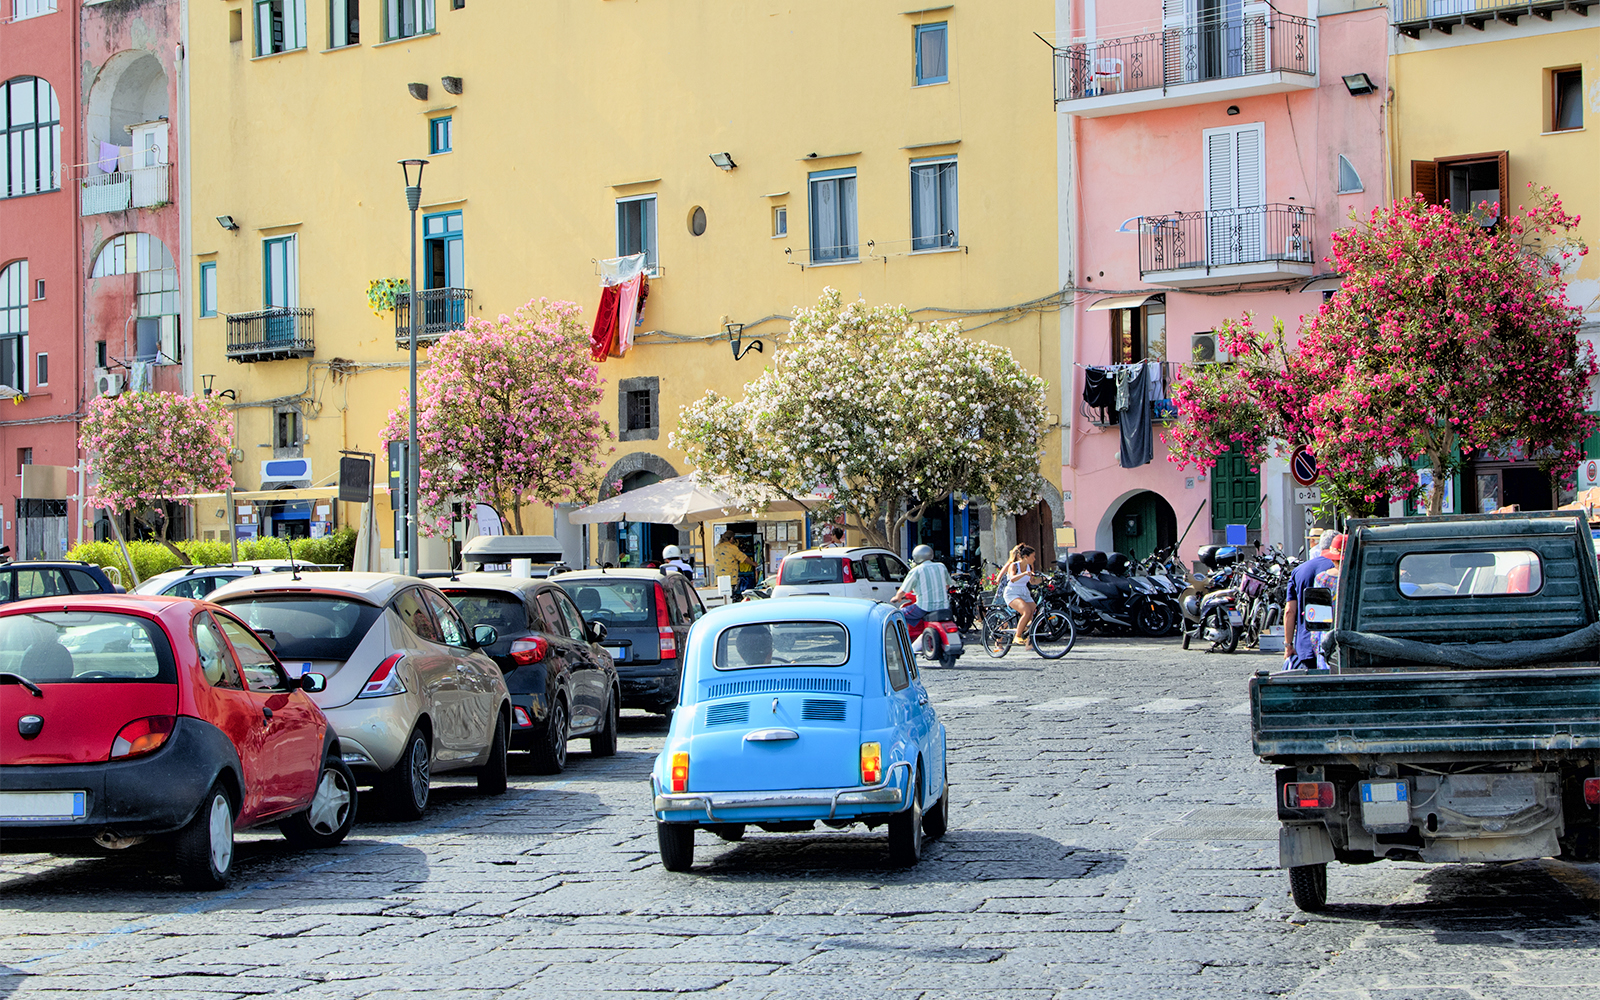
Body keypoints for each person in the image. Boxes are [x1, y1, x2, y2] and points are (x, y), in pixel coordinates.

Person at [1284, 534, 1336, 671]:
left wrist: (1288, 644)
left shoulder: (1298, 571)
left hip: (1306, 642)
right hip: (1333, 643)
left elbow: (1290, 610)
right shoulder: (1338, 569)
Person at [1311, 534, 1345, 670]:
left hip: (1328, 640)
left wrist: (1316, 645)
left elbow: (1316, 620)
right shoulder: (1363, 578)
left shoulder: (1322, 579)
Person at [894, 544, 953, 622]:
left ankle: (907, 634)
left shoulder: (916, 570)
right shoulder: (941, 566)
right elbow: (947, 585)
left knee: (897, 615)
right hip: (944, 607)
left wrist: (897, 597)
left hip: (924, 608)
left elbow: (903, 590)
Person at [998, 543, 1038, 645]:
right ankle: (1018, 636)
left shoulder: (1029, 566)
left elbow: (1032, 581)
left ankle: (1025, 632)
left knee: (1036, 612)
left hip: (1024, 592)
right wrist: (1024, 573)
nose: (1034, 559)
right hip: (1012, 592)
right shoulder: (1014, 565)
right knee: (1026, 611)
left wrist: (1045, 579)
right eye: (1033, 556)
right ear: (1026, 557)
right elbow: (1012, 578)